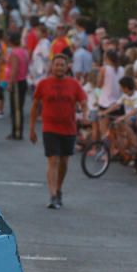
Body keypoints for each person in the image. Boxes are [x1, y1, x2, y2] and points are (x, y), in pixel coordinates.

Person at [30, 54, 88, 209]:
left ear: (67, 66)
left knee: (64, 162)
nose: (59, 67)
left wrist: (86, 115)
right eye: (56, 65)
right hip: (50, 128)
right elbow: (35, 106)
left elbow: (83, 101)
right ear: (52, 66)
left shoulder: (74, 84)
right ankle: (53, 194)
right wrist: (32, 129)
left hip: (69, 128)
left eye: (62, 65)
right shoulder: (43, 84)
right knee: (53, 159)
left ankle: (59, 188)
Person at [4, 32, 30, 140]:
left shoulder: (15, 53)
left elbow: (14, 69)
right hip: (22, 80)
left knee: (16, 109)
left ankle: (17, 132)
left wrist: (10, 83)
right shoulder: (24, 51)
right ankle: (16, 130)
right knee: (17, 107)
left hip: (17, 82)